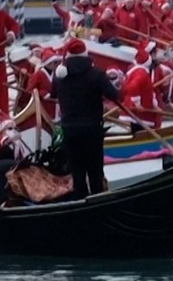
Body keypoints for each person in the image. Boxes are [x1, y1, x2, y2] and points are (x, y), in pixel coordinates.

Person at [51, 37, 122, 198]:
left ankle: (80, 203)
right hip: (92, 129)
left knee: (77, 172)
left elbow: (53, 92)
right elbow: (114, 95)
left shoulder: (60, 76)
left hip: (69, 130)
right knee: (95, 170)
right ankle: (98, 201)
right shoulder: (96, 74)